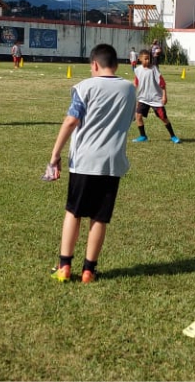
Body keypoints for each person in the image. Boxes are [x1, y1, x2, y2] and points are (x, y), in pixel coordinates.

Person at [47, 43, 136, 284]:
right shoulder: (129, 89)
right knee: (99, 217)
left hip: (84, 161)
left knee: (73, 212)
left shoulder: (84, 87)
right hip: (112, 162)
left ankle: (64, 265)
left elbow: (71, 120)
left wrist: (55, 155)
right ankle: (89, 270)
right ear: (116, 65)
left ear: (94, 64)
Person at [132, 49, 181, 144]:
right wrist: (131, 92)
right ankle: (143, 136)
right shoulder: (137, 70)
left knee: (163, 117)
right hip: (143, 98)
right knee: (138, 116)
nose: (148, 61)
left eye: (149, 58)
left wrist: (164, 96)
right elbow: (136, 83)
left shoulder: (154, 69)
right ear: (140, 59)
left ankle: (173, 136)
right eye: (145, 59)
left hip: (155, 99)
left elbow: (162, 83)